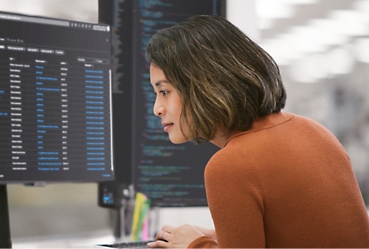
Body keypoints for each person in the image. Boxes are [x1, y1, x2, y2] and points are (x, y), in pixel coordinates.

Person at [144, 15, 369, 248]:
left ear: (204, 84)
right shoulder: (314, 131)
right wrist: (214, 236)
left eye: (164, 92)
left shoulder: (231, 164)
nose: (157, 109)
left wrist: (196, 245)